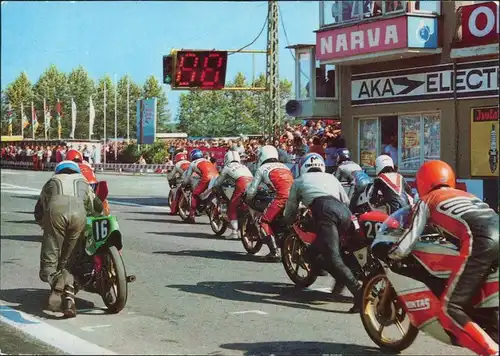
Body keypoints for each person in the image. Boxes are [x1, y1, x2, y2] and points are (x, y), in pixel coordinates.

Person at [387, 160, 499, 356]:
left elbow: (410, 237)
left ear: (422, 181)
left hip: (480, 241)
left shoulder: (427, 200)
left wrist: (393, 254)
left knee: (449, 308)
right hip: (493, 235)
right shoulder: (468, 196)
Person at [283, 153, 361, 312]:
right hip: (344, 212)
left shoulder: (299, 181)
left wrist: (286, 221)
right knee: (313, 253)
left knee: (333, 257)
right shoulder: (331, 178)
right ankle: (341, 278)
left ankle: (359, 293)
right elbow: (345, 200)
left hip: (325, 213)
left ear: (303, 166)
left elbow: (290, 209)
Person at [34, 161, 103, 318]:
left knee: (49, 264)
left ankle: (57, 281)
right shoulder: (83, 182)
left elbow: (39, 211)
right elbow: (96, 208)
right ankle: (69, 299)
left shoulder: (51, 182)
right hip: (79, 214)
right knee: (68, 261)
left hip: (56, 212)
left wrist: (46, 227)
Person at [245, 145, 294, 261]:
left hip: (281, 198)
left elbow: (252, 190)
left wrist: (248, 198)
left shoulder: (262, 169)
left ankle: (274, 252)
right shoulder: (285, 167)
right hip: (295, 197)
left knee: (263, 220)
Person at [213, 151, 253, 240]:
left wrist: (214, 187)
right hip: (251, 183)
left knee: (232, 207)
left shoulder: (227, 167)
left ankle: (234, 232)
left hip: (241, 183)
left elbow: (219, 181)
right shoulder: (244, 166)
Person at [182, 148, 219, 222]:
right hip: (216, 176)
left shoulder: (193, 163)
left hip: (206, 177)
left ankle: (191, 216)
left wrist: (184, 184)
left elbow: (187, 177)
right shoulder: (207, 160)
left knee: (195, 194)